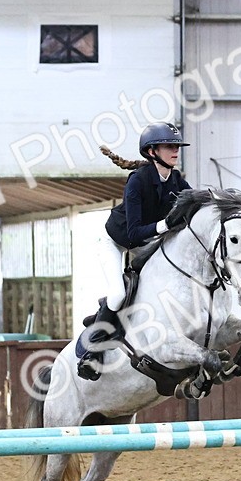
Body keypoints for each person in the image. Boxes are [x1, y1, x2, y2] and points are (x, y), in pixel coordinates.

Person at [77, 121, 192, 380]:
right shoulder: (137, 181)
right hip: (115, 241)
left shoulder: (176, 181)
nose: (176, 150)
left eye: (177, 146)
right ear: (152, 151)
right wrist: (165, 224)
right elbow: (133, 233)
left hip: (144, 243)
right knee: (118, 293)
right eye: (169, 146)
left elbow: (196, 203)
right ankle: (93, 351)